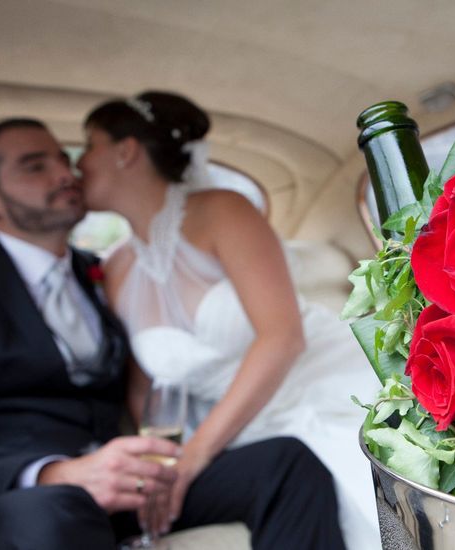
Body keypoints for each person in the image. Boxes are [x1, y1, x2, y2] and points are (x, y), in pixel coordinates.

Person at [0, 118, 345, 550]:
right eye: (36, 166)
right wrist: (56, 473)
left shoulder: (108, 272)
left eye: (64, 159)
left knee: (285, 463)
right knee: (58, 511)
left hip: (125, 479)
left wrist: (166, 460)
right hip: (27, 496)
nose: (65, 173)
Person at [78, 91, 383, 549]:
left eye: (89, 146)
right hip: (235, 429)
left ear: (126, 151)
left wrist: (198, 454)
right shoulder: (116, 271)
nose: (78, 163)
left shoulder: (223, 212)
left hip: (319, 386)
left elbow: (281, 338)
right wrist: (165, 465)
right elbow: (146, 390)